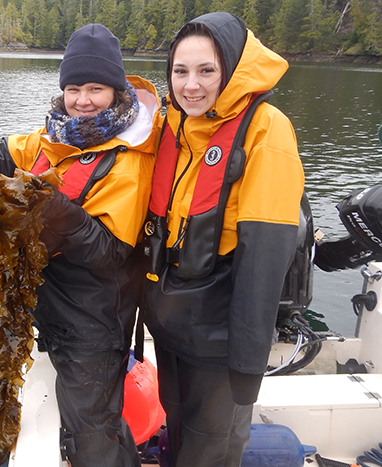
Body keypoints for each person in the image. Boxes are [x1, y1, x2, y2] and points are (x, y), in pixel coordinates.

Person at [0, 23, 160, 467]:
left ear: (117, 91)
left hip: (94, 322)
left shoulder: (131, 158)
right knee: (94, 416)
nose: (82, 100)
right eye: (74, 88)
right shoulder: (55, 136)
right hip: (53, 311)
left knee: (91, 433)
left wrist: (61, 212)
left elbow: (112, 254)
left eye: (96, 88)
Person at [136, 12, 305, 467]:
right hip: (171, 327)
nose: (191, 85)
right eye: (180, 71)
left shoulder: (267, 130)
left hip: (219, 339)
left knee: (210, 450)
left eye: (206, 70)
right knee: (176, 433)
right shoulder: (170, 124)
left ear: (230, 70)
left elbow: (265, 256)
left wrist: (247, 367)